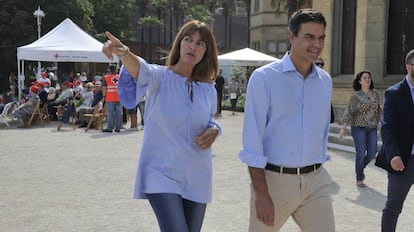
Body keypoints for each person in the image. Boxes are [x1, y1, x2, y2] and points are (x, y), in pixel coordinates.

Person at [102, 20, 221, 232]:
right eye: (188, 39)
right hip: (161, 172)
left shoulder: (208, 89)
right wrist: (124, 53)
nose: (192, 46)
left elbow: (210, 120)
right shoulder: (159, 76)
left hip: (197, 175)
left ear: (206, 52)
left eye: (200, 43)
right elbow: (139, 67)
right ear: (180, 43)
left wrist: (215, 130)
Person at [239, 9, 335, 231]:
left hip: (315, 182)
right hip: (273, 183)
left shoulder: (325, 81)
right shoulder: (264, 79)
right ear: (291, 37)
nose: (317, 44)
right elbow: (253, 141)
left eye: (321, 38)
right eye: (309, 37)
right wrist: (261, 193)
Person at [375, 49, 414, 231]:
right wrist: (394, 154)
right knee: (393, 207)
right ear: (408, 67)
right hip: (403, 160)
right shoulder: (394, 93)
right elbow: (387, 126)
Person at [339, 70, 381, 188]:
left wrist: (380, 125)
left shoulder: (376, 94)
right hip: (358, 128)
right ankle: (359, 178)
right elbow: (349, 111)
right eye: (365, 78)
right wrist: (343, 128)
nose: (367, 79)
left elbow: (378, 109)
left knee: (372, 153)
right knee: (361, 154)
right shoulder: (356, 95)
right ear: (360, 81)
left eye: (369, 77)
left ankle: (359, 169)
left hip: (372, 127)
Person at [102, 64, 122, 133]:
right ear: (116, 70)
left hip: (109, 98)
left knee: (110, 114)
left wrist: (104, 96)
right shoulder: (120, 77)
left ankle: (110, 128)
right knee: (118, 113)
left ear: (109, 70)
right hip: (118, 98)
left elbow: (104, 88)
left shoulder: (106, 77)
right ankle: (118, 128)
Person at [315, 57, 335, 123]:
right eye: (317, 64)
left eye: (322, 64)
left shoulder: (326, 78)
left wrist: (331, 115)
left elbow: (327, 97)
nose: (320, 66)